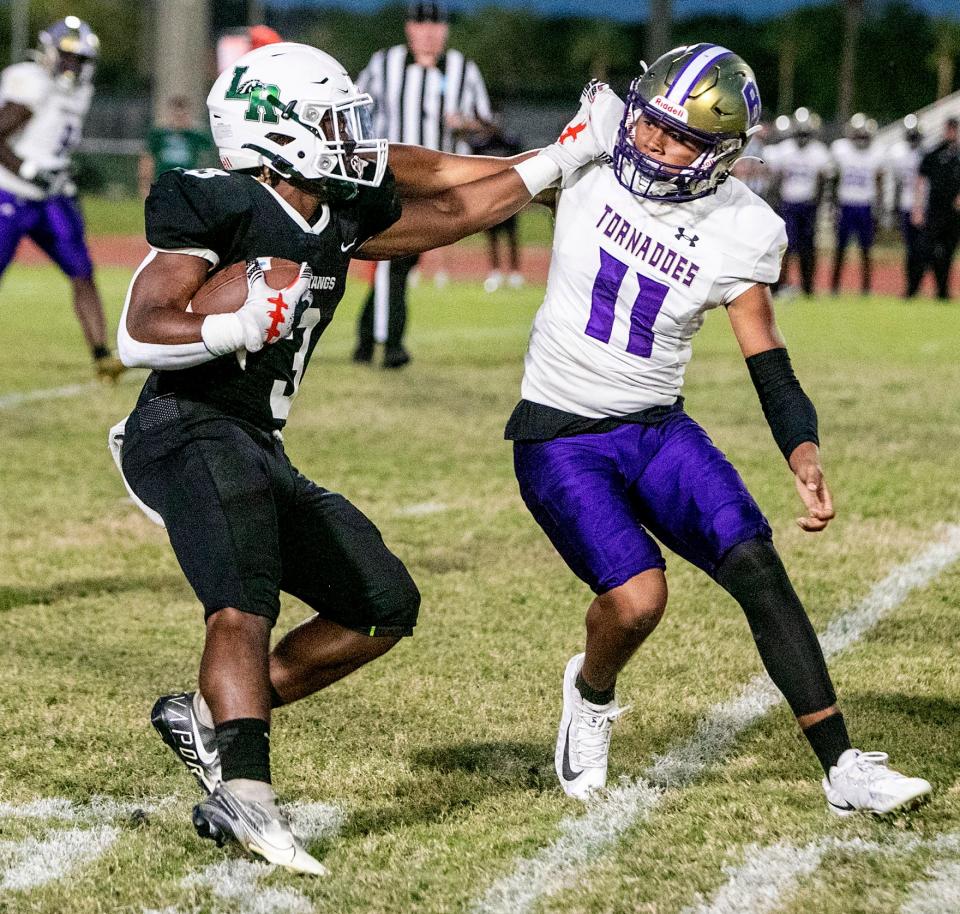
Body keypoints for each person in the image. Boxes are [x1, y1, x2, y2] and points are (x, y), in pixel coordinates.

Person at [110, 41, 572, 874]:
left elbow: (457, 212)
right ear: (274, 131)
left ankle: (213, 721)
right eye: (328, 118)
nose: (345, 134)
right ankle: (246, 794)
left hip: (254, 440)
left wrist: (563, 157)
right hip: (187, 425)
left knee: (380, 602)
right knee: (241, 600)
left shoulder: (332, 210)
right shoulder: (218, 202)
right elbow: (139, 327)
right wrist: (229, 325)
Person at [493, 46, 931, 814]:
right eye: (652, 126)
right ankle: (590, 694)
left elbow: (771, 364)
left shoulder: (742, 226)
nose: (655, 146)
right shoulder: (591, 160)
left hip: (657, 428)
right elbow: (473, 193)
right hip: (560, 433)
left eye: (679, 138)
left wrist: (803, 451)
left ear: (723, 153)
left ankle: (841, 768)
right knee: (638, 600)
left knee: (756, 563)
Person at [352, 0, 491, 368]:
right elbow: (351, 104)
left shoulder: (464, 69)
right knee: (393, 259)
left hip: (439, 182)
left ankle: (366, 340)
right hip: (392, 177)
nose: (429, 33)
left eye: (436, 26)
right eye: (421, 25)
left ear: (445, 30)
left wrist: (465, 124)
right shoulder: (385, 64)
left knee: (400, 261)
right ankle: (390, 345)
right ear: (409, 29)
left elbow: (486, 123)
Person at [0, 16, 123, 381]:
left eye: (80, 59)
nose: (73, 65)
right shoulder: (32, 82)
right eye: (68, 57)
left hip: (52, 195)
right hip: (11, 190)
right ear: (50, 52)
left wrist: (58, 170)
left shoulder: (79, 92)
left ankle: (103, 355)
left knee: (82, 272)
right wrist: (26, 169)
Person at [766, 108, 831, 297]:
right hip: (788, 203)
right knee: (785, 247)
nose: (802, 137)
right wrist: (775, 203)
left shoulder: (819, 152)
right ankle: (779, 284)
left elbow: (821, 180)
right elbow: (776, 180)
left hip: (808, 204)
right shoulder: (784, 150)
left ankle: (808, 286)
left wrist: (818, 204)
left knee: (807, 247)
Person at [467, 116, 524, 291]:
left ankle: (515, 272)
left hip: (509, 197)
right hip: (489, 198)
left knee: (512, 237)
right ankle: (495, 271)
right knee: (492, 238)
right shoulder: (480, 145)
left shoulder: (510, 143)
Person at [829, 113, 884, 295]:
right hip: (846, 204)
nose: (861, 138)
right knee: (840, 249)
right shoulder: (841, 150)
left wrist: (879, 209)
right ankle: (834, 286)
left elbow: (879, 183)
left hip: (865, 205)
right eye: (858, 134)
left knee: (866, 250)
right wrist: (833, 205)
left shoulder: (876, 153)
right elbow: (835, 180)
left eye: (864, 134)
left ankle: (866, 288)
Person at [911, 117, 960, 301]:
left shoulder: (958, 155)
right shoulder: (934, 154)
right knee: (925, 250)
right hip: (934, 211)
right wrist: (917, 207)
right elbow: (921, 180)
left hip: (953, 213)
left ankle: (943, 292)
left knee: (948, 253)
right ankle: (913, 288)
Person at [138, 96, 214, 198]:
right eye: (176, 114)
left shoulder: (196, 135)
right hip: (163, 179)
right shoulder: (159, 134)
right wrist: (145, 182)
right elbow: (148, 158)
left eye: (182, 115)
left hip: (188, 181)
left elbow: (211, 155)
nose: (179, 118)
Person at [889, 114, 925, 298]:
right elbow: (897, 183)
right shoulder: (898, 154)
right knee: (910, 250)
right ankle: (911, 287)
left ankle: (917, 286)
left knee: (921, 249)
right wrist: (894, 208)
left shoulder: (925, 154)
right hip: (905, 204)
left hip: (922, 206)